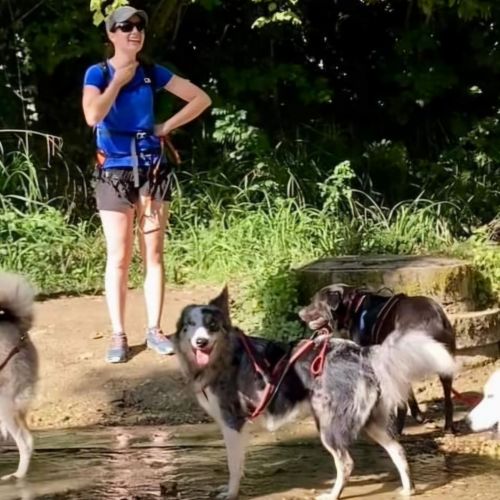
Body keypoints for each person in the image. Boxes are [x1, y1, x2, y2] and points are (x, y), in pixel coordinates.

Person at [82, 6, 211, 363]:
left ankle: (154, 330)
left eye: (139, 26)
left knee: (153, 254)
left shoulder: (153, 72)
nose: (134, 32)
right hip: (113, 172)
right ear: (111, 34)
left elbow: (201, 98)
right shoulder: (98, 73)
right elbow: (93, 115)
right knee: (119, 256)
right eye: (125, 26)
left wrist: (165, 126)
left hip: (152, 170)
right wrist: (118, 82)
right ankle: (118, 334)